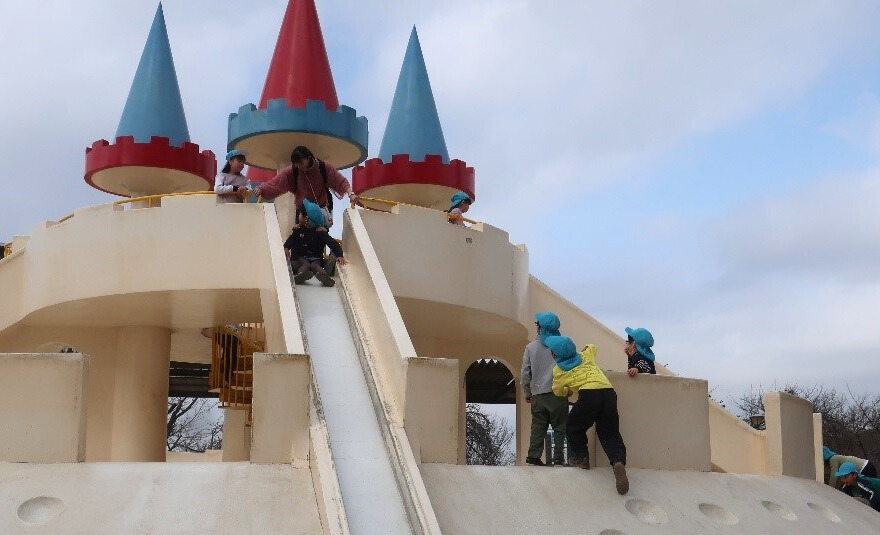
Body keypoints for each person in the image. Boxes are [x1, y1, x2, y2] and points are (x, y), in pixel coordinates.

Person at [548, 335, 630, 495]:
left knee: (573, 426)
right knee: (610, 433)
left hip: (589, 395)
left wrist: (568, 390)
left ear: (555, 355)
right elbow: (592, 345)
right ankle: (618, 462)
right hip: (608, 392)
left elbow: (558, 391)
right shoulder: (586, 356)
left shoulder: (558, 370)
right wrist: (584, 350)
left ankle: (581, 458)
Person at [253, 146, 358, 227]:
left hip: (320, 212)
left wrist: (350, 193)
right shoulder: (293, 170)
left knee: (318, 245)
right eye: (296, 164)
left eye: (300, 163)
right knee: (299, 245)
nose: (299, 166)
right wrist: (261, 189)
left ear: (308, 158)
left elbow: (340, 181)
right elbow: (275, 183)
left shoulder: (323, 167)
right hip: (302, 213)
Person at [521, 312, 569, 467]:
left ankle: (534, 457)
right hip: (558, 393)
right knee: (560, 427)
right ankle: (559, 459)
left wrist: (528, 392)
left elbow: (525, 373)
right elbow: (569, 368)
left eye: (537, 324)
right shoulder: (562, 345)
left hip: (538, 395)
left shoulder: (530, 347)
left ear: (541, 327)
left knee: (538, 427)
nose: (536, 326)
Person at [284, 199, 346, 287]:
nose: (299, 216)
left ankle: (324, 277)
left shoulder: (320, 232)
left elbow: (333, 243)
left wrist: (340, 255)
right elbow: (291, 240)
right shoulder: (298, 230)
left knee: (315, 265)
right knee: (305, 264)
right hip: (301, 258)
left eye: (300, 215)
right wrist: (286, 247)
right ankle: (300, 275)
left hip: (315, 259)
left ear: (306, 219)